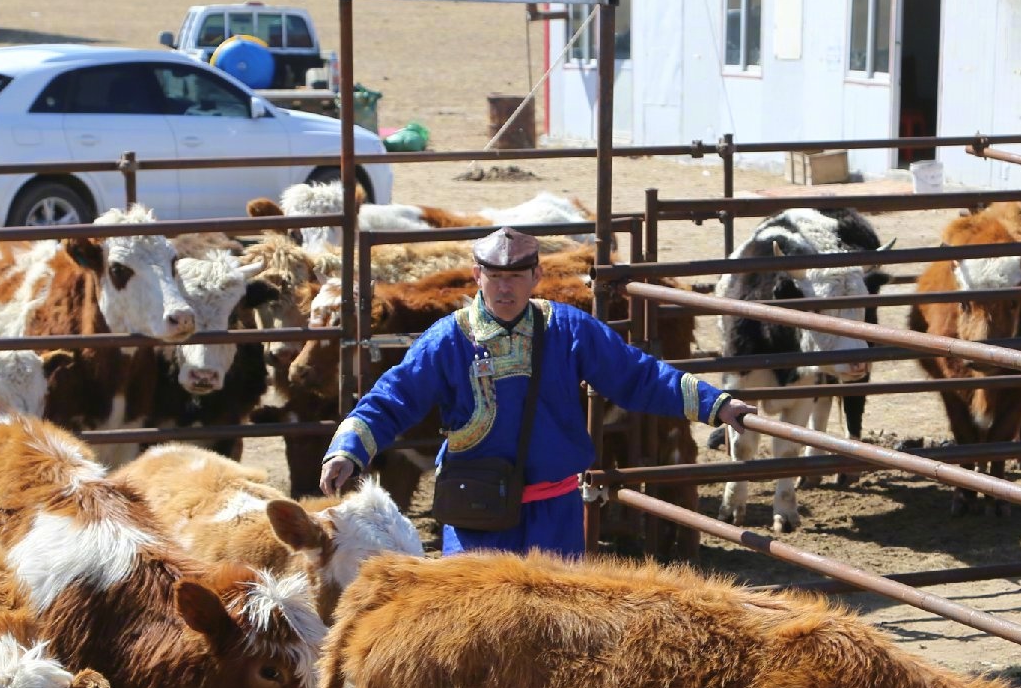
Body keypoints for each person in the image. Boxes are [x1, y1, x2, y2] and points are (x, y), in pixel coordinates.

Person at [319, 227, 753, 557]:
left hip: (557, 512)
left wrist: (717, 403)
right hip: (476, 513)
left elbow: (636, 375)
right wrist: (347, 449)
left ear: (536, 276)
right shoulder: (448, 339)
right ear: (477, 276)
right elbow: (395, 395)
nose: (505, 288)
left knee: (554, 637)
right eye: (494, 276)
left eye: (515, 276)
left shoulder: (569, 328)